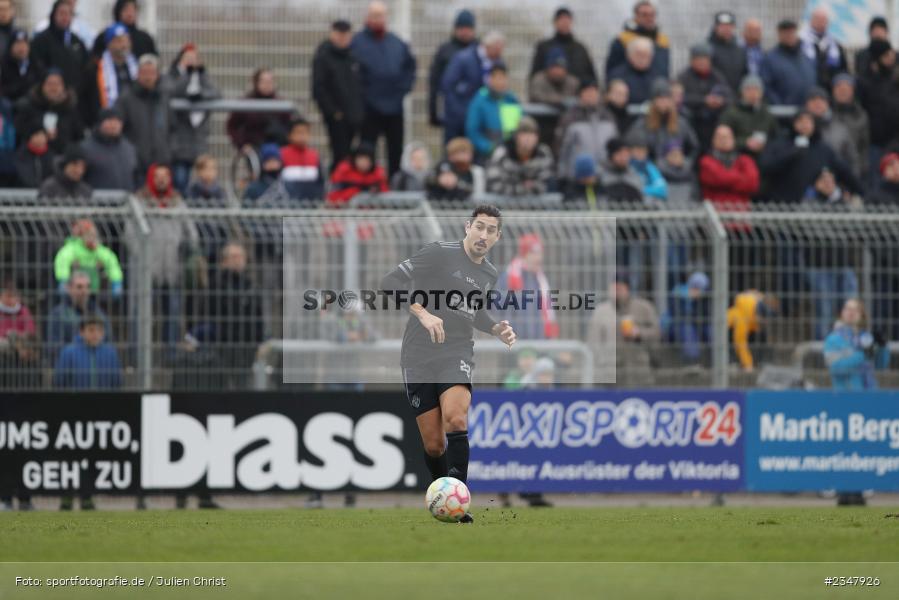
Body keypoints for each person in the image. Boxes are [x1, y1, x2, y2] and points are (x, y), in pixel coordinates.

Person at [379, 205, 517, 524]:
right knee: (433, 443)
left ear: (498, 237)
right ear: (468, 227)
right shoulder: (439, 253)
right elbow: (389, 283)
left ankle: (459, 504)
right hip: (417, 354)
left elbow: (474, 311)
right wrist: (423, 313)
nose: (483, 235)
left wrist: (495, 327)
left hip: (456, 351)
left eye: (490, 230)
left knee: (456, 419)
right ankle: (441, 499)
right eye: (479, 227)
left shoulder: (489, 274)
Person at [132, 164, 198, 347]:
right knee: (141, 313)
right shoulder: (139, 201)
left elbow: (190, 232)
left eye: (165, 176)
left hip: (172, 266)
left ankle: (171, 352)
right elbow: (130, 234)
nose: (161, 180)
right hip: (147, 267)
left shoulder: (177, 201)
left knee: (173, 312)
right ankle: (137, 352)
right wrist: (142, 254)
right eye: (157, 176)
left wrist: (188, 249)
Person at [351, 1, 416, 176]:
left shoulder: (397, 43)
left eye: (381, 15)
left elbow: (409, 69)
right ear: (368, 17)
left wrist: (402, 90)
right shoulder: (357, 43)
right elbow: (354, 76)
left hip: (394, 107)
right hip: (369, 108)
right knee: (366, 150)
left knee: (395, 150)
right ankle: (366, 184)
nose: (378, 19)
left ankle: (393, 187)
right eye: (375, 15)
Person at [759, 110, 861, 203]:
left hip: (814, 206)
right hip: (780, 204)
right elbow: (765, 166)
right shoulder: (780, 144)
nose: (804, 125)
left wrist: (861, 192)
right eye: (800, 121)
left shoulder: (823, 149)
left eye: (808, 121)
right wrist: (792, 152)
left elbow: (845, 172)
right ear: (793, 124)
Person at [626, 79, 700, 206]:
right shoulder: (642, 124)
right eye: (660, 98)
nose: (664, 103)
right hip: (655, 177)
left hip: (680, 176)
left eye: (667, 98)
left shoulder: (681, 123)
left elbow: (694, 148)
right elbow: (636, 152)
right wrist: (658, 163)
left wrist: (685, 161)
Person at [166, 42, 220, 195]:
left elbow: (216, 93)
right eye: (187, 58)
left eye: (194, 58)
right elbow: (174, 91)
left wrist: (201, 95)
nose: (191, 61)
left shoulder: (203, 76)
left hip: (198, 142)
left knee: (202, 186)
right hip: (179, 144)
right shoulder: (171, 76)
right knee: (180, 181)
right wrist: (187, 75)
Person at [312, 20, 364, 173]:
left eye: (346, 35)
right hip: (337, 117)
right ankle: (339, 188)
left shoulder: (353, 55)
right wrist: (333, 112)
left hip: (355, 115)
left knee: (357, 155)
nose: (343, 39)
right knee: (340, 155)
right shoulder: (323, 56)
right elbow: (319, 88)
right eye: (339, 34)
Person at [589, 278, 660, 386]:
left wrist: (639, 333)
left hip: (639, 369)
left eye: (619, 288)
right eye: (613, 288)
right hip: (609, 372)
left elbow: (656, 332)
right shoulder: (601, 311)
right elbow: (594, 342)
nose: (616, 292)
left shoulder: (643, 308)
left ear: (628, 289)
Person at [440, 30, 506, 142]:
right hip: (459, 119)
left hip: (481, 121)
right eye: (497, 50)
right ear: (488, 46)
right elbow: (448, 86)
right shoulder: (463, 59)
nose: (499, 54)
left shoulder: (497, 62)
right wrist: (459, 112)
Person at [495, 233, 559, 340]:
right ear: (524, 254)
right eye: (533, 253)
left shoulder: (541, 280)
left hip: (539, 340)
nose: (538, 258)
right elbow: (497, 308)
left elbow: (549, 312)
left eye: (540, 253)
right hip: (514, 342)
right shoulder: (509, 277)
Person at [115, 53, 171, 175]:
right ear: (138, 74)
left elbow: (172, 126)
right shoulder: (126, 98)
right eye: (144, 72)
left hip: (160, 164)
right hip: (134, 163)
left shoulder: (163, 98)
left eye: (151, 73)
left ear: (157, 75)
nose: (148, 77)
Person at [556, 80, 618, 183]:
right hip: (577, 178)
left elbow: (614, 146)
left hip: (605, 177)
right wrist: (563, 175)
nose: (591, 95)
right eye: (588, 92)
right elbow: (561, 149)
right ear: (580, 94)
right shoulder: (570, 117)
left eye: (594, 92)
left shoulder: (608, 116)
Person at [857, 40, 899, 187]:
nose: (891, 58)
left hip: (895, 141)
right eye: (886, 55)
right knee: (875, 183)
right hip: (874, 143)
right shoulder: (865, 82)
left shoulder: (895, 80)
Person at [14, 69, 84, 154]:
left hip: (63, 159)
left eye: (57, 84)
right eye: (49, 84)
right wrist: (39, 133)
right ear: (42, 86)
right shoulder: (29, 106)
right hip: (34, 158)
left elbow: (79, 136)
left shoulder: (70, 109)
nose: (53, 88)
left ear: (64, 87)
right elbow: (20, 132)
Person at [825, 298, 889, 391]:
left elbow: (881, 366)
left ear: (862, 315)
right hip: (846, 395)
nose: (851, 312)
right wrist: (863, 354)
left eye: (856, 310)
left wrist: (882, 347)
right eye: (848, 308)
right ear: (842, 312)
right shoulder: (833, 339)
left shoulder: (866, 337)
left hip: (870, 393)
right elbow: (836, 369)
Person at [46, 270, 110, 362]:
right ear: (69, 288)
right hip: (70, 365)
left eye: (88, 287)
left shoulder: (99, 314)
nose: (85, 291)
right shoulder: (57, 314)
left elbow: (107, 341)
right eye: (79, 287)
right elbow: (54, 347)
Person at [80, 22, 136, 128]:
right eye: (119, 41)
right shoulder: (95, 69)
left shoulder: (136, 67)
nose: (124, 45)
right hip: (104, 124)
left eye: (126, 40)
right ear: (109, 44)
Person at [678, 42, 731, 152]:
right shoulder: (684, 77)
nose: (702, 62)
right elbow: (681, 98)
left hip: (713, 123)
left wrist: (720, 101)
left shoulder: (717, 76)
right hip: (693, 122)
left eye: (705, 59)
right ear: (692, 61)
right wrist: (703, 100)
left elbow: (729, 96)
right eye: (699, 59)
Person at [429, 9, 477, 129]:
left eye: (468, 28)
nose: (465, 32)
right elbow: (434, 82)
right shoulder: (445, 50)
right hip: (451, 111)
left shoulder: (479, 50)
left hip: (475, 111)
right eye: (462, 28)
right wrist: (433, 112)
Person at [464, 62, 521, 162]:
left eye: (503, 77)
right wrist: (490, 148)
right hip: (486, 156)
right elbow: (473, 131)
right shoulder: (480, 101)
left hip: (510, 154)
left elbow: (518, 126)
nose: (501, 82)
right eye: (497, 78)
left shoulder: (511, 100)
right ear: (490, 79)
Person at [486, 117, 554, 197]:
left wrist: (516, 186)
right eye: (524, 134)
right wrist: (523, 187)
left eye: (532, 134)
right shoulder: (501, 153)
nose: (528, 138)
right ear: (516, 136)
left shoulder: (544, 153)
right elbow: (494, 185)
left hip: (538, 206)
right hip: (505, 204)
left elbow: (547, 184)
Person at [699, 124, 759, 214]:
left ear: (733, 139)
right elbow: (718, 178)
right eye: (720, 137)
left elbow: (752, 183)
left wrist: (726, 177)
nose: (724, 140)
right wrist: (740, 177)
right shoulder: (706, 161)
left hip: (740, 220)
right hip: (714, 217)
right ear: (713, 140)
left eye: (727, 137)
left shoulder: (745, 160)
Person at [804, 86, 861, 180]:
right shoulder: (798, 128)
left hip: (836, 181)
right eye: (813, 99)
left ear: (827, 104)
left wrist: (851, 185)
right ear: (806, 104)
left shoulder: (840, 128)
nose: (818, 103)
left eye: (822, 99)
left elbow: (852, 159)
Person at [226, 68, 292, 149]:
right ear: (256, 83)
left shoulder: (280, 104)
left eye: (270, 82)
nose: (267, 85)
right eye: (263, 81)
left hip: (276, 147)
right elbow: (232, 126)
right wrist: (242, 144)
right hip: (254, 147)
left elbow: (289, 125)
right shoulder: (245, 103)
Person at [54, 219, 123, 296]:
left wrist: (116, 282)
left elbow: (111, 262)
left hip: (93, 291)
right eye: (89, 234)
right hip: (73, 293)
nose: (92, 238)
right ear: (82, 236)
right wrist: (63, 280)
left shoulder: (99, 250)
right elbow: (63, 260)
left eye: (94, 235)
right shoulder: (72, 249)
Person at [29, 0, 89, 89]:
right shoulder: (40, 40)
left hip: (74, 95)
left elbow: (84, 67)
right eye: (61, 13)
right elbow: (36, 68)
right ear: (54, 15)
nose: (65, 17)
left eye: (68, 14)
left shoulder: (77, 41)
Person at [718, 74, 778, 162]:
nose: (753, 93)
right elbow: (721, 139)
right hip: (736, 158)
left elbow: (776, 136)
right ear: (742, 91)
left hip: (764, 158)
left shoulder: (766, 114)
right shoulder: (731, 113)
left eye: (756, 89)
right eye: (749, 89)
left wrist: (764, 145)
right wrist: (745, 143)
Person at [53, 314, 122, 390]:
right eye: (91, 330)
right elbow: (59, 381)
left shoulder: (110, 353)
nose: (96, 334)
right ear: (81, 332)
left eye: (99, 330)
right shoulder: (68, 352)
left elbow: (117, 382)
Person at [530, 6, 596, 84]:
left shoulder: (580, 49)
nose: (564, 22)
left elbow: (591, 76)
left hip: (577, 94)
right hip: (548, 94)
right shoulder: (543, 47)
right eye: (561, 19)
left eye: (567, 19)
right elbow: (535, 76)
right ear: (555, 22)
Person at [605, 1, 670, 81]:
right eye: (644, 15)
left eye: (652, 15)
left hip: (657, 89)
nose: (649, 18)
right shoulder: (622, 40)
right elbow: (612, 70)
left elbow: (665, 69)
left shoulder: (662, 41)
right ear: (636, 16)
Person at [80, 107, 139, 191]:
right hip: (97, 202)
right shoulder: (85, 148)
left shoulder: (129, 148)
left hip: (127, 202)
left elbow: (137, 175)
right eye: (109, 120)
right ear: (100, 123)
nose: (113, 125)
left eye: (117, 121)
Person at [760, 20, 816, 107]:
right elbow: (766, 87)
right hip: (783, 113)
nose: (789, 36)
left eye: (792, 32)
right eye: (786, 33)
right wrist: (780, 105)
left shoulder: (806, 57)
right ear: (779, 35)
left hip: (805, 114)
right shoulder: (770, 59)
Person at [664, 271, 711, 364]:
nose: (697, 291)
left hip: (695, 325)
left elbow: (705, 315)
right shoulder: (678, 293)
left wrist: (697, 301)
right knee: (687, 329)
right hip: (674, 328)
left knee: (710, 329)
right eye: (696, 287)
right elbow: (678, 315)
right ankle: (692, 361)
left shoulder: (704, 299)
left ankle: (720, 360)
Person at [831, 74, 870, 184]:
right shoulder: (827, 113)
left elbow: (864, 146)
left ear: (853, 91)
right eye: (839, 88)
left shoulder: (861, 115)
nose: (843, 91)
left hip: (853, 167)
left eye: (846, 88)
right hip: (830, 165)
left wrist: (862, 168)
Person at [727, 289, 776, 373]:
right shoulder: (744, 314)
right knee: (739, 342)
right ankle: (746, 364)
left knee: (760, 337)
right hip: (742, 321)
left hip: (748, 321)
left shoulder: (758, 301)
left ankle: (755, 363)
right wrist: (748, 365)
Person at [327, 142, 388, 206]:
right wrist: (355, 192)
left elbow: (385, 194)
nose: (364, 162)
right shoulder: (344, 171)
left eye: (367, 159)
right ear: (354, 159)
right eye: (361, 158)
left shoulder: (378, 174)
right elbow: (332, 194)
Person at [801, 7, 847, 90]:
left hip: (830, 90)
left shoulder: (835, 45)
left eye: (823, 20)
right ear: (811, 21)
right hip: (808, 88)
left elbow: (843, 69)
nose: (820, 22)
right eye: (817, 19)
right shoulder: (801, 43)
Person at [426, 137, 485, 202]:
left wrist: (457, 182)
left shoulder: (476, 171)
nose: (461, 157)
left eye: (464, 153)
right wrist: (438, 180)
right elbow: (428, 181)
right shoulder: (442, 167)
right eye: (457, 153)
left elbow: (477, 192)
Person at [91, 0, 157, 59]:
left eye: (133, 10)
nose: (130, 14)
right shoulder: (105, 36)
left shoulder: (145, 39)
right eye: (126, 10)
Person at [279, 117, 324, 202]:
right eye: (298, 132)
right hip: (287, 205)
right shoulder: (282, 154)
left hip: (310, 205)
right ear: (289, 135)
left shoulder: (314, 155)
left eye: (305, 132)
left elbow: (320, 182)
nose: (302, 136)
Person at [607, 36, 658, 105]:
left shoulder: (657, 77)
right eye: (639, 54)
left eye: (646, 55)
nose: (642, 59)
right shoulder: (616, 76)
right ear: (629, 55)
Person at [708, 11, 746, 94]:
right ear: (716, 27)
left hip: (736, 97)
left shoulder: (740, 49)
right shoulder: (708, 48)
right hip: (716, 98)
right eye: (722, 26)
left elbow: (744, 73)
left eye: (729, 26)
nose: (726, 29)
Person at [1, 29, 43, 104]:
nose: (21, 48)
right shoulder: (3, 65)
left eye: (24, 44)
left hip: (32, 106)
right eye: (18, 44)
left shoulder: (36, 65)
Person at [598, 137, 644, 203]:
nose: (624, 157)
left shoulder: (634, 174)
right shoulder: (600, 175)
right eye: (620, 153)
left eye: (626, 154)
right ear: (611, 155)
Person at [626, 129, 667, 203]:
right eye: (638, 150)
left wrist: (642, 190)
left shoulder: (650, 167)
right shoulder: (626, 166)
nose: (641, 153)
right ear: (630, 151)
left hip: (648, 204)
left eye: (643, 150)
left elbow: (662, 189)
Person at [14, 121, 55, 188]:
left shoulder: (51, 155)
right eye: (37, 135)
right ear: (30, 137)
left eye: (43, 135)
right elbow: (25, 177)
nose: (40, 138)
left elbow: (53, 176)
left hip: (47, 193)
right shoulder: (22, 155)